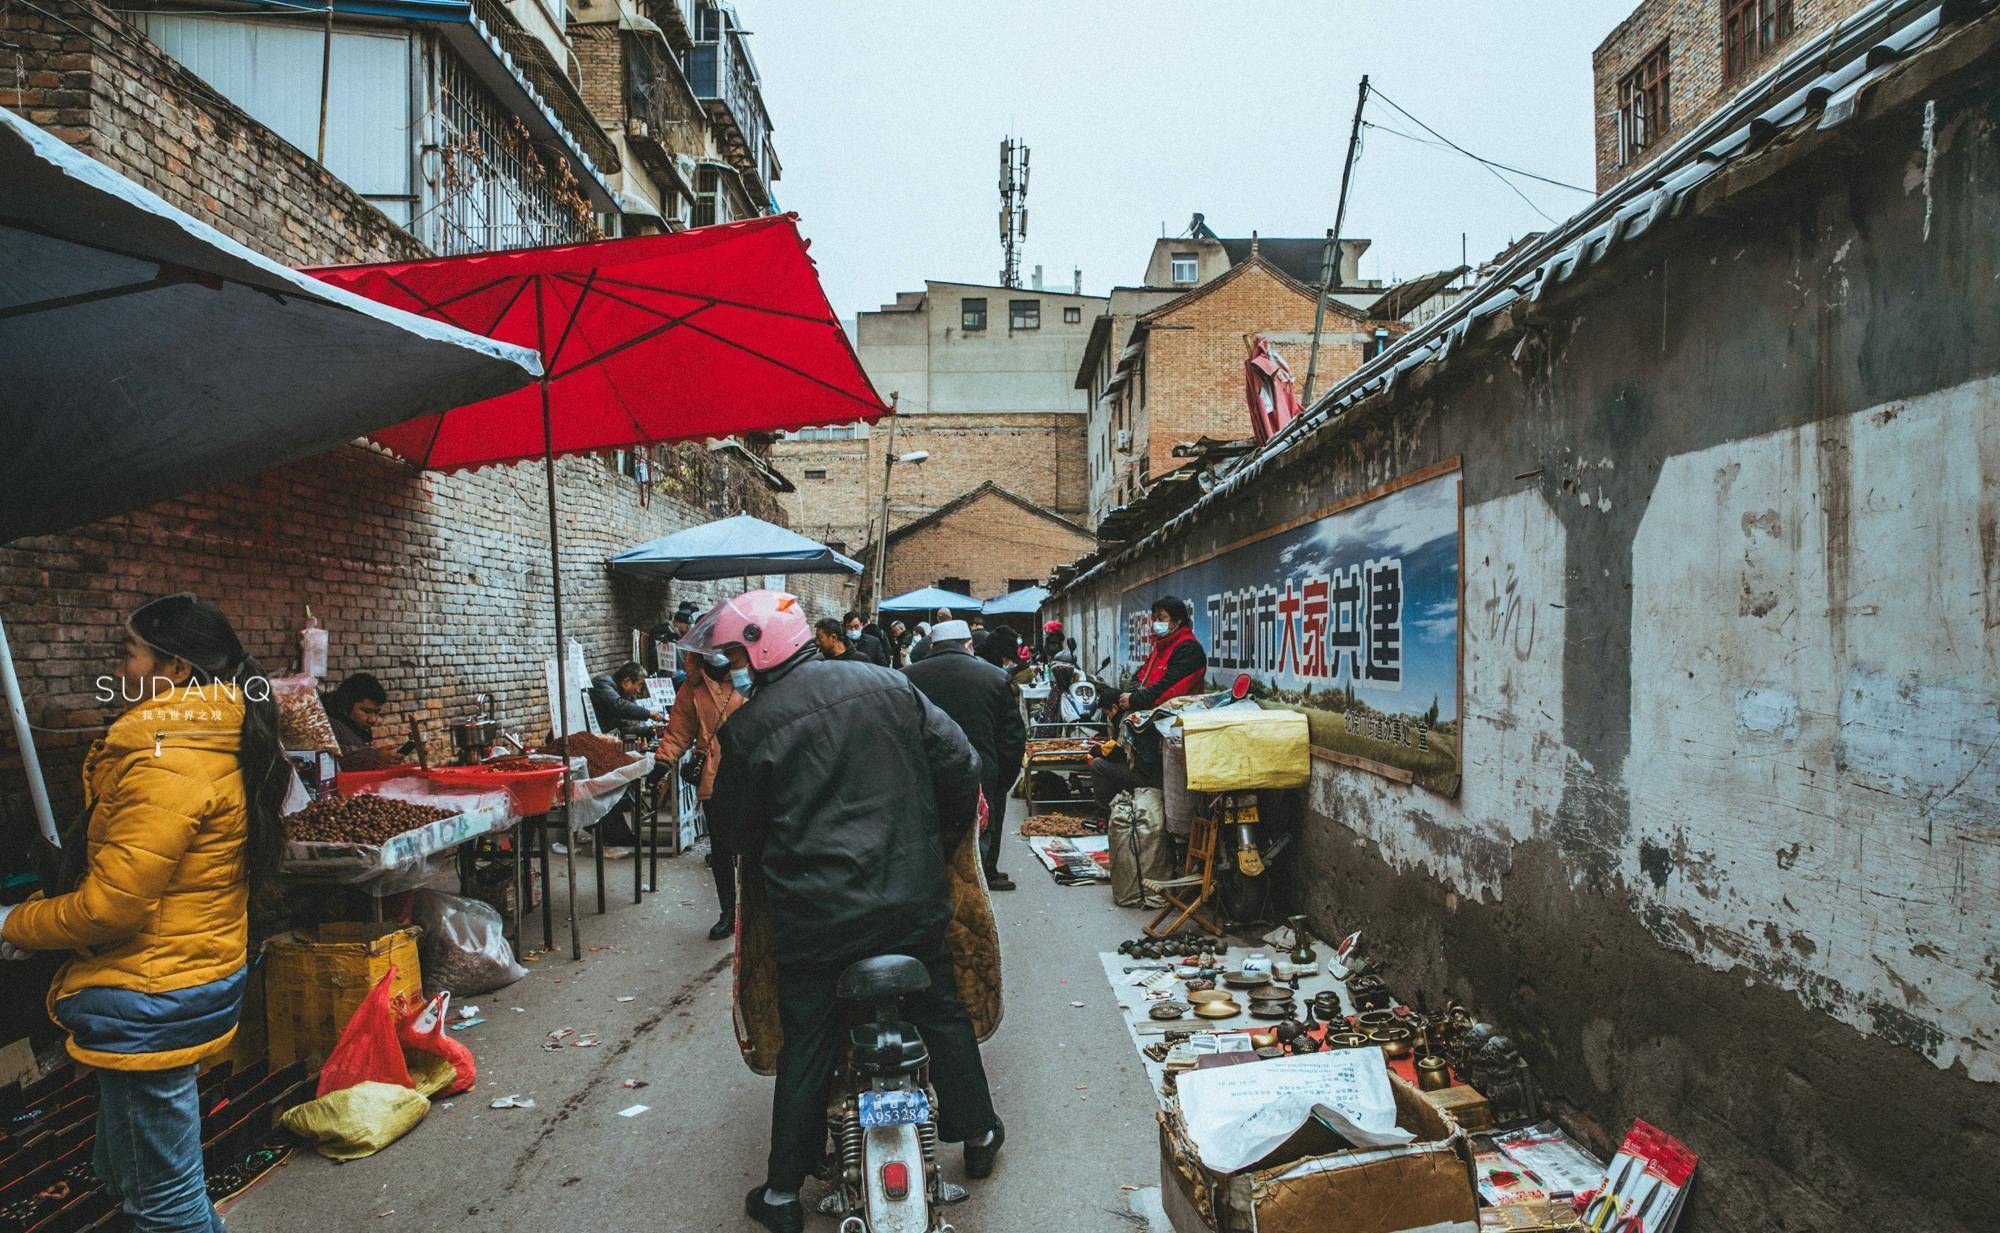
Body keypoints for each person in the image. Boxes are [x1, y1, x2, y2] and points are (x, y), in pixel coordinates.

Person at [694, 592, 1003, 1233]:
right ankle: (978, 1133)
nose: (732, 671)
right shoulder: (890, 685)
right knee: (941, 1010)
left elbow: (735, 835)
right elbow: (962, 766)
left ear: (760, 648)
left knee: (808, 1037)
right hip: (912, 906)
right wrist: (933, 837)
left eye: (734, 658)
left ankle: (784, 1192)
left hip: (815, 923)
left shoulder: (747, 731)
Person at [1, 594, 287, 1233]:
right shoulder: (209, 737)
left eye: (127, 653)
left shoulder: (170, 759)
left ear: (176, 667)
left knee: (167, 1207)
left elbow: (110, 908)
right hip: (181, 975)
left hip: (150, 995)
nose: (119, 668)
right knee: (132, 1173)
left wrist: (12, 924)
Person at [905, 620, 1025, 892]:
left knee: (933, 826)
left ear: (933, 645)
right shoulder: (995, 677)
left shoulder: (908, 676)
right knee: (983, 825)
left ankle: (936, 881)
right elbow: (1012, 736)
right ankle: (984, 875)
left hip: (928, 769)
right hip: (983, 768)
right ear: (968, 644)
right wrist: (1003, 778)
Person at [653, 649, 745, 940]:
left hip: (750, 773)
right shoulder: (693, 686)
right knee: (721, 848)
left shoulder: (749, 677)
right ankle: (728, 913)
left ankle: (754, 911)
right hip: (713, 775)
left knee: (753, 846)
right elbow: (679, 729)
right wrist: (663, 760)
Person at [1092, 596, 1209, 808]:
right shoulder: (1160, 648)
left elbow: (1169, 688)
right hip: (1149, 726)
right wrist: (1132, 695)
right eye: (1154, 618)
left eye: (1161, 618)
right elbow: (1139, 677)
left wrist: (1136, 699)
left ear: (1177, 621)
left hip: (1171, 731)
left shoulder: (1188, 649)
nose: (1155, 623)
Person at [322, 670, 387, 757]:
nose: (373, 719)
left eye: (377, 712)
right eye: (366, 711)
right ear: (346, 706)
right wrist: (374, 756)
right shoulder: (327, 726)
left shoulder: (355, 728)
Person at [590, 660, 665, 734]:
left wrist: (650, 731)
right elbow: (619, 706)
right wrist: (649, 714)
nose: (639, 691)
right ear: (627, 682)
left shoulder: (622, 695)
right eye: (640, 685)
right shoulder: (603, 683)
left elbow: (624, 729)